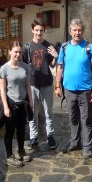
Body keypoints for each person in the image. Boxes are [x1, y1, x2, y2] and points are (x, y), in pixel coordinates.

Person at [55, 18, 92, 159]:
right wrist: (57, 85)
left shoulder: (90, 48)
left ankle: (87, 146)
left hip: (85, 90)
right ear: (70, 31)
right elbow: (60, 67)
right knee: (73, 118)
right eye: (74, 30)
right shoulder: (64, 48)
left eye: (79, 30)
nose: (77, 32)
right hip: (69, 90)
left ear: (83, 31)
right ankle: (75, 143)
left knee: (86, 120)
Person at [22, 19, 59, 150]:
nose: (39, 33)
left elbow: (52, 65)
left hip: (47, 84)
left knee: (49, 112)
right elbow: (23, 66)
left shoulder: (48, 46)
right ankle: (34, 137)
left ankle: (50, 136)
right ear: (32, 30)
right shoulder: (27, 47)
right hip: (32, 85)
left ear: (44, 31)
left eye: (41, 30)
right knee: (32, 112)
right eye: (36, 30)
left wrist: (55, 56)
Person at [0, 42, 34, 167]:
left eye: (20, 52)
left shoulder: (25, 67)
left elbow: (28, 85)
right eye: (15, 52)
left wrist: (31, 101)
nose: (18, 54)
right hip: (10, 104)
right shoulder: (4, 69)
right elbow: (2, 90)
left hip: (22, 103)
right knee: (10, 131)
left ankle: (21, 150)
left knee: (21, 129)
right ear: (10, 52)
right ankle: (9, 156)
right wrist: (6, 107)